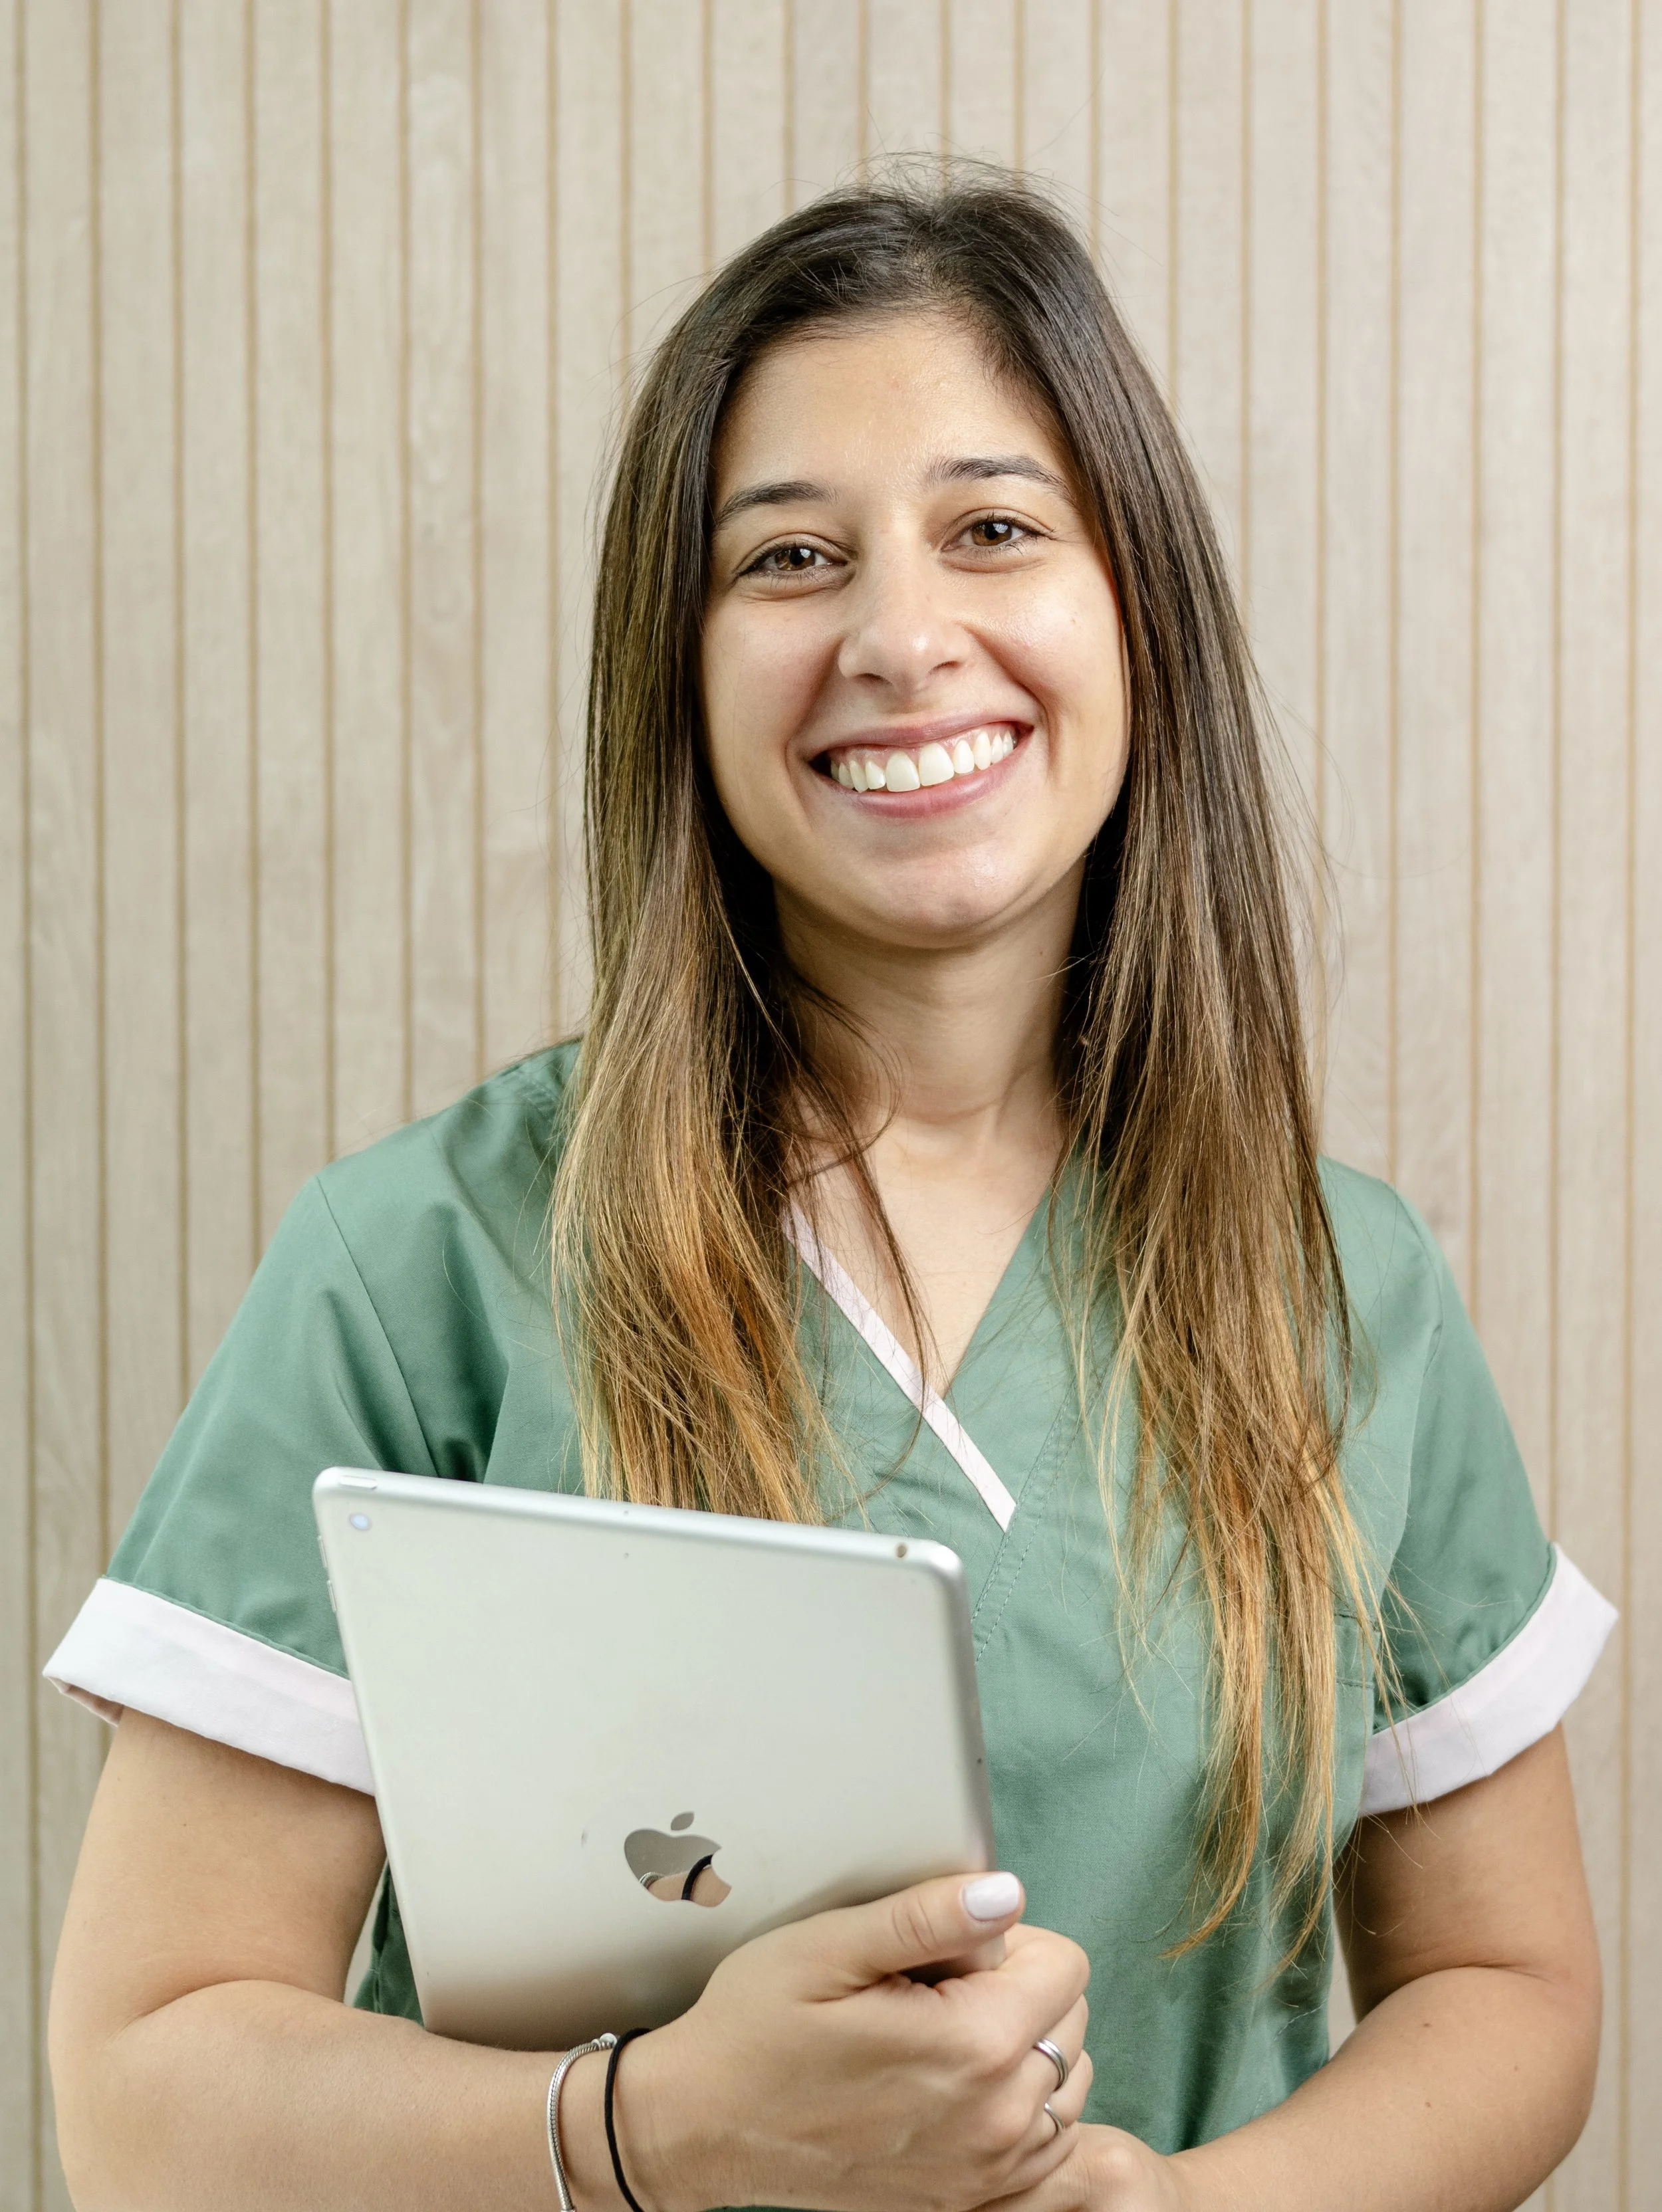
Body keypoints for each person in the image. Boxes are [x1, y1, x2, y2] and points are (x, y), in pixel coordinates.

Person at [47, 171, 1613, 2212]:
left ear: (1134, 602)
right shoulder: (420, 1270)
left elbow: (1505, 1982)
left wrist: (1191, 2210)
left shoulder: (1349, 1292)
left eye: (991, 528)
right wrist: (654, 2131)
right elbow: (142, 2093)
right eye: (788, 556)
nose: (898, 635)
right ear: (678, 673)